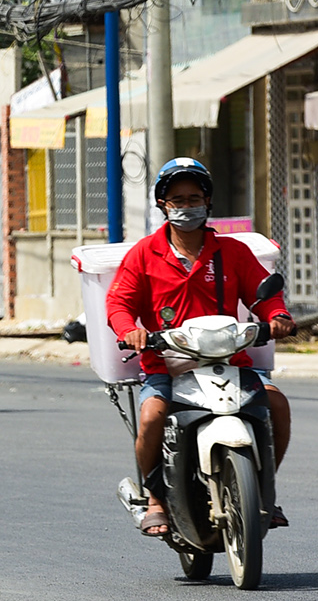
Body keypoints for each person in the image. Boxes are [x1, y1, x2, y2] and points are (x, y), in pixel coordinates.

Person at [106, 157, 296, 538]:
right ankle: (155, 498)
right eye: (177, 200)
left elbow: (264, 296)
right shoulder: (143, 254)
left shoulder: (232, 252)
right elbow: (118, 304)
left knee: (276, 404)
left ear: (207, 202)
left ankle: (263, 489)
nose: (186, 206)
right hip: (166, 365)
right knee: (152, 417)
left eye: (194, 198)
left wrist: (277, 316)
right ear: (163, 205)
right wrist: (131, 331)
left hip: (230, 360)